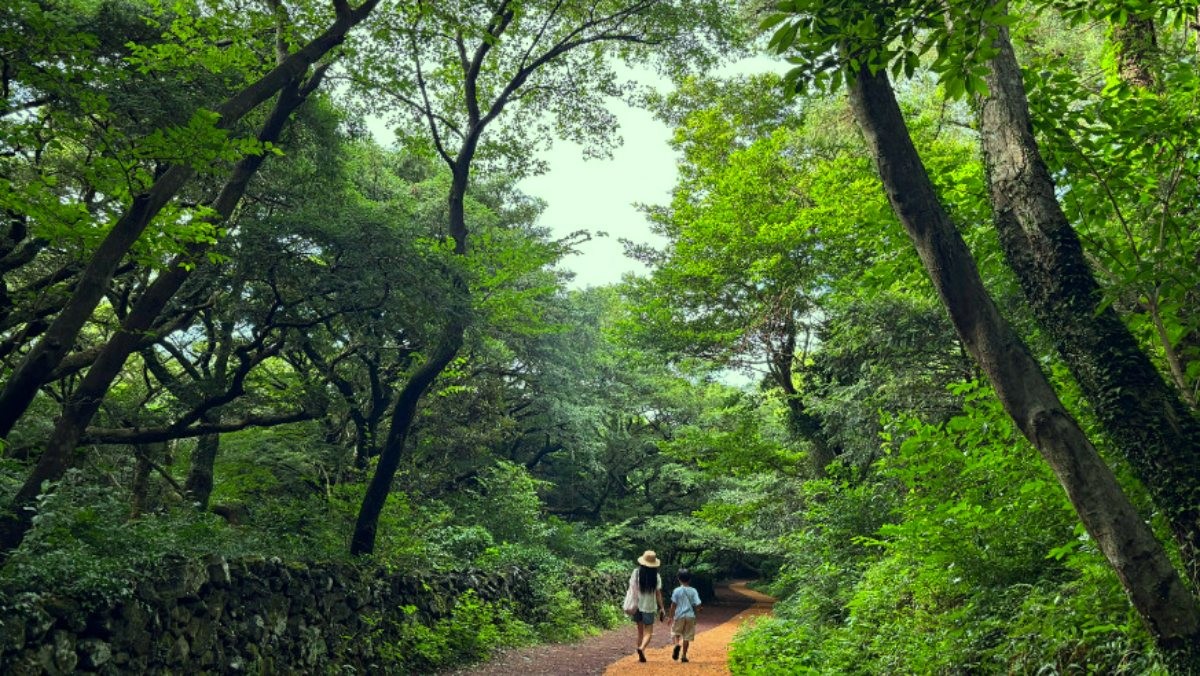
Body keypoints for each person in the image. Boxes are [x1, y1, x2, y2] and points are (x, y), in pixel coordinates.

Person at [629, 549, 665, 662]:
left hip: (636, 605)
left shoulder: (636, 573)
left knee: (640, 632)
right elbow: (658, 594)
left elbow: (631, 588)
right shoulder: (656, 576)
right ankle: (642, 648)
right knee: (648, 631)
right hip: (649, 607)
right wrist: (662, 608)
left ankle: (640, 653)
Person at [668, 568, 702, 663]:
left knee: (675, 633)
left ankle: (677, 645)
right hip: (690, 616)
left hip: (679, 615)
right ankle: (684, 656)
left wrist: (670, 617)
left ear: (678, 579)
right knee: (687, 637)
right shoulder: (693, 591)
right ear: (690, 579)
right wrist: (699, 609)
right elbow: (698, 603)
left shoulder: (676, 590)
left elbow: (673, 605)